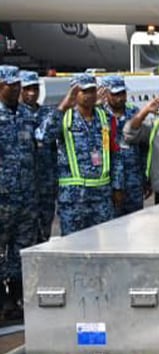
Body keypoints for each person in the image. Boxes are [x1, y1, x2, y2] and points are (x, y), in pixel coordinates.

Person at [40, 74, 123, 234]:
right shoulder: (62, 116)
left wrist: (118, 186)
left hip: (102, 195)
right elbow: (43, 136)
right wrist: (64, 105)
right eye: (83, 91)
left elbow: (115, 153)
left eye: (92, 90)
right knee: (74, 246)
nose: (89, 95)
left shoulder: (105, 117)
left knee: (104, 244)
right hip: (73, 197)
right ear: (74, 93)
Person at [0, 66, 41, 316]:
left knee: (20, 249)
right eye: (9, 84)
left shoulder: (27, 115)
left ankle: (15, 297)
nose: (15, 88)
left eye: (17, 84)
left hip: (26, 195)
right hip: (2, 197)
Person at [18, 70, 56, 239]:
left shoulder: (47, 114)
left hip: (46, 184)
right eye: (27, 89)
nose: (32, 93)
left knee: (45, 230)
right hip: (21, 188)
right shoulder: (14, 115)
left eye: (35, 88)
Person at [102, 76, 147, 215]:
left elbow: (144, 146)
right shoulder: (100, 114)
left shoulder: (134, 112)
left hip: (133, 180)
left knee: (135, 223)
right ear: (105, 94)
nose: (120, 98)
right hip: (108, 182)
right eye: (115, 94)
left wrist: (146, 177)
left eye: (122, 93)